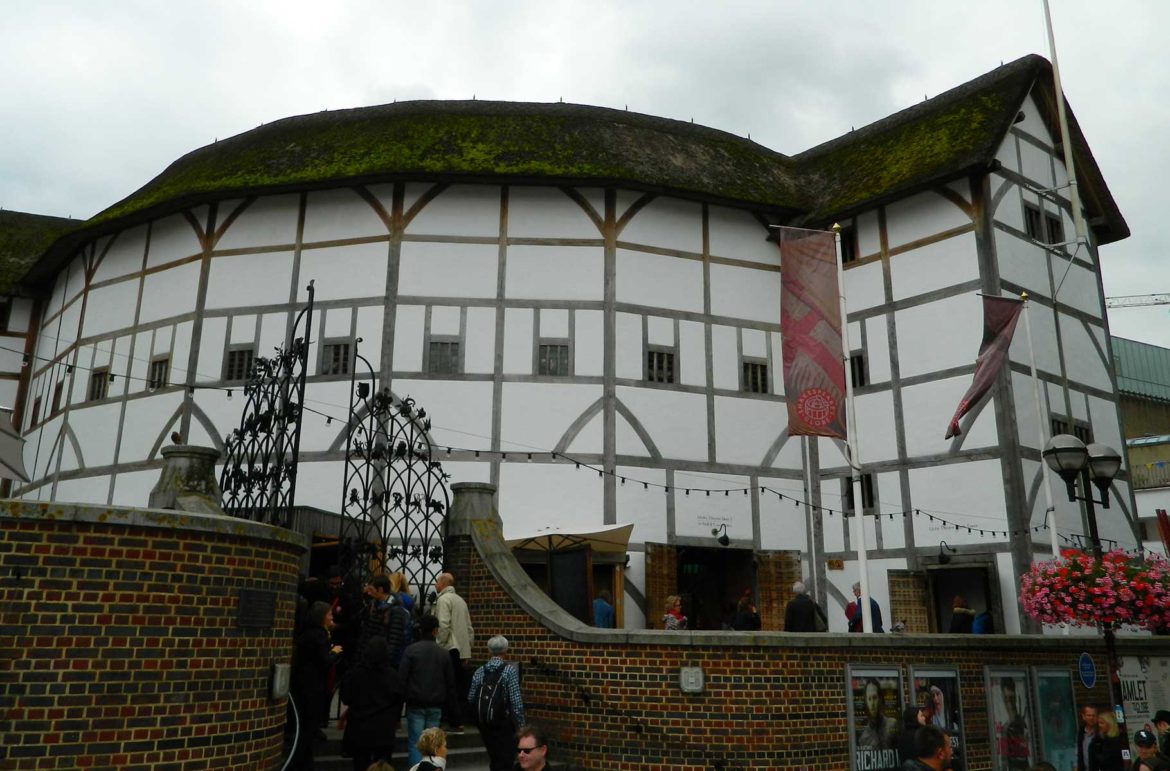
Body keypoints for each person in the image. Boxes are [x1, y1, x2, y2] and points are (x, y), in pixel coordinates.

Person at [399, 614, 457, 767]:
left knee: (415, 742)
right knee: (433, 744)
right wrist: (454, 714)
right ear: (435, 631)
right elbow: (450, 683)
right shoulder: (443, 654)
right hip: (435, 703)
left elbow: (402, 679)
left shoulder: (411, 651)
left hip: (415, 702)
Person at [290, 601, 342, 770]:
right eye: (329, 614)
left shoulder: (307, 634)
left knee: (304, 726)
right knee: (308, 728)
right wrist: (334, 653)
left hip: (302, 685)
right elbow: (324, 662)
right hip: (313, 687)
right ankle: (303, 763)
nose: (331, 617)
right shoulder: (319, 636)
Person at [339, 636, 398, 771]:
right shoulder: (392, 675)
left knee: (360, 764)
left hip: (360, 728)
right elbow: (399, 698)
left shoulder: (355, 674)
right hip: (384, 730)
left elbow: (346, 698)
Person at [468, 635, 525, 771]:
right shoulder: (509, 671)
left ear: (489, 650)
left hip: (485, 723)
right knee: (505, 759)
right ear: (505, 650)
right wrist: (521, 727)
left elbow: (471, 698)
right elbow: (516, 703)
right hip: (503, 723)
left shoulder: (480, 671)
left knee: (494, 757)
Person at [434, 572, 474, 731]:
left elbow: (443, 625)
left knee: (445, 685)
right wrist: (467, 651)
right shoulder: (461, 601)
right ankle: (457, 720)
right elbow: (470, 629)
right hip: (461, 651)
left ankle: (450, 720)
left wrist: (438, 645)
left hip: (449, 648)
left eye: (437, 582)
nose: (436, 585)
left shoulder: (443, 600)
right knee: (457, 686)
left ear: (443, 583)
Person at [858, 677, 899, 749]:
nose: (872, 703)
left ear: (880, 698)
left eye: (874, 697)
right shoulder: (863, 737)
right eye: (869, 699)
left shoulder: (892, 724)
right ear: (866, 702)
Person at [1076, 704, 1099, 771]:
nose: (1091, 718)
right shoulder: (1080, 734)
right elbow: (1077, 754)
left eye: (1093, 715)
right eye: (1089, 715)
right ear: (1083, 716)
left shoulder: (1101, 734)